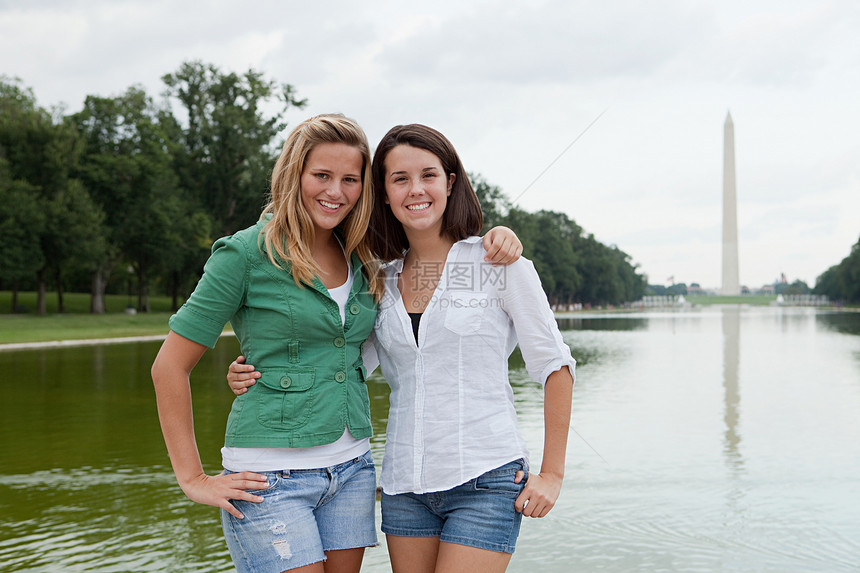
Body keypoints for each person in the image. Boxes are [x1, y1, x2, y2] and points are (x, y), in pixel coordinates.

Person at [153, 114, 522, 573]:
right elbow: (168, 367)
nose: (336, 191)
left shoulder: (363, 255)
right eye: (321, 176)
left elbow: (367, 343)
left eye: (350, 179)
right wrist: (192, 478)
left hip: (351, 470)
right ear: (294, 175)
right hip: (269, 476)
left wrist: (496, 238)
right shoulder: (244, 254)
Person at [229, 123, 575, 573]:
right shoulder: (379, 281)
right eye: (400, 179)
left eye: (428, 175)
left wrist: (552, 474)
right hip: (403, 488)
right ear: (385, 194)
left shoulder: (498, 266)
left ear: (450, 184)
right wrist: (255, 372)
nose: (416, 190)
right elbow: (343, 362)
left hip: (485, 480)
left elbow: (555, 366)